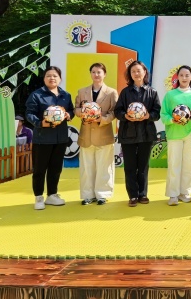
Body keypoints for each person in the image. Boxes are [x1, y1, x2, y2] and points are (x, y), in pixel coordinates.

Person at [25, 65, 74, 210]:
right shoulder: (37, 95)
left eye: (55, 76)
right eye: (48, 76)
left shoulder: (65, 95)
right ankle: (39, 197)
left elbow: (71, 110)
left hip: (61, 138)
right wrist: (40, 123)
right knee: (39, 169)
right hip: (43, 138)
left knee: (55, 168)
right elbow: (29, 113)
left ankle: (52, 195)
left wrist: (68, 115)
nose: (52, 78)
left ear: (60, 78)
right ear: (44, 78)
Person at [114, 61, 161, 207]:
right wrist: (125, 116)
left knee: (143, 166)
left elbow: (157, 113)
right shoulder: (125, 92)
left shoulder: (152, 92)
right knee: (129, 166)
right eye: (133, 71)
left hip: (146, 134)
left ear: (144, 72)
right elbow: (117, 111)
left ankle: (143, 194)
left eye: (139, 70)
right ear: (130, 74)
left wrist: (148, 116)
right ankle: (133, 195)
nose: (136, 73)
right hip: (128, 134)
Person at [161, 65, 191, 206]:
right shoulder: (170, 95)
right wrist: (172, 120)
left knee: (188, 164)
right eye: (181, 75)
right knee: (174, 164)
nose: (184, 78)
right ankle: (173, 194)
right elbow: (163, 114)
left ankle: (185, 192)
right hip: (174, 134)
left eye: (187, 75)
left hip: (190, 134)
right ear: (177, 77)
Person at [74, 63, 119, 205]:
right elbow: (76, 109)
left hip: (104, 133)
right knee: (86, 167)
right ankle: (87, 195)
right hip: (86, 134)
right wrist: (83, 112)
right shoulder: (82, 91)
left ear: (104, 74)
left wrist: (102, 119)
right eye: (93, 72)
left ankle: (102, 194)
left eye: (99, 72)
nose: (96, 75)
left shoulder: (111, 92)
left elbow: (115, 112)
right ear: (90, 74)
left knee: (104, 166)